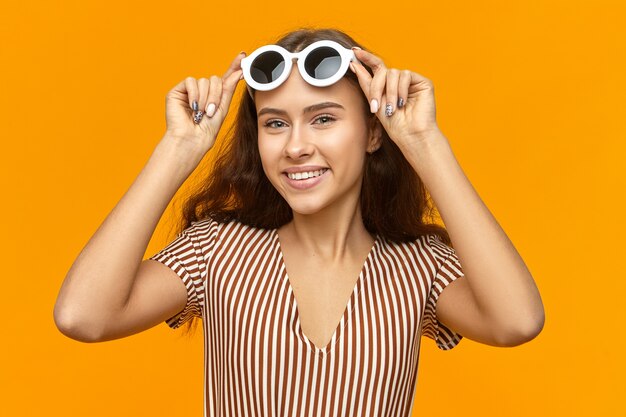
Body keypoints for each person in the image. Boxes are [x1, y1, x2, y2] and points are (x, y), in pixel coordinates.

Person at [54, 27, 545, 417]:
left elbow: (517, 322)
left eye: (324, 118)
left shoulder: (419, 267)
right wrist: (179, 148)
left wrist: (423, 141)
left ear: (373, 132)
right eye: (275, 123)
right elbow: (83, 317)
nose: (295, 146)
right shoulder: (218, 250)